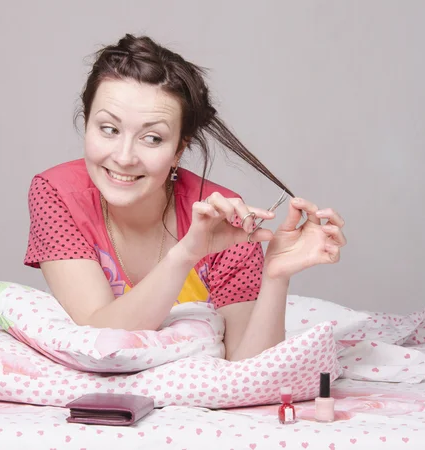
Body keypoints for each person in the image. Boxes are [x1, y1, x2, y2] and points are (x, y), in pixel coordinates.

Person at [24, 34, 346, 361]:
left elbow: (248, 366)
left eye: (152, 138)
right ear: (87, 122)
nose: (124, 157)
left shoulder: (222, 219)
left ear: (179, 148)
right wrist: (186, 254)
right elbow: (101, 334)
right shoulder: (57, 193)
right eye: (108, 129)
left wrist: (276, 276)